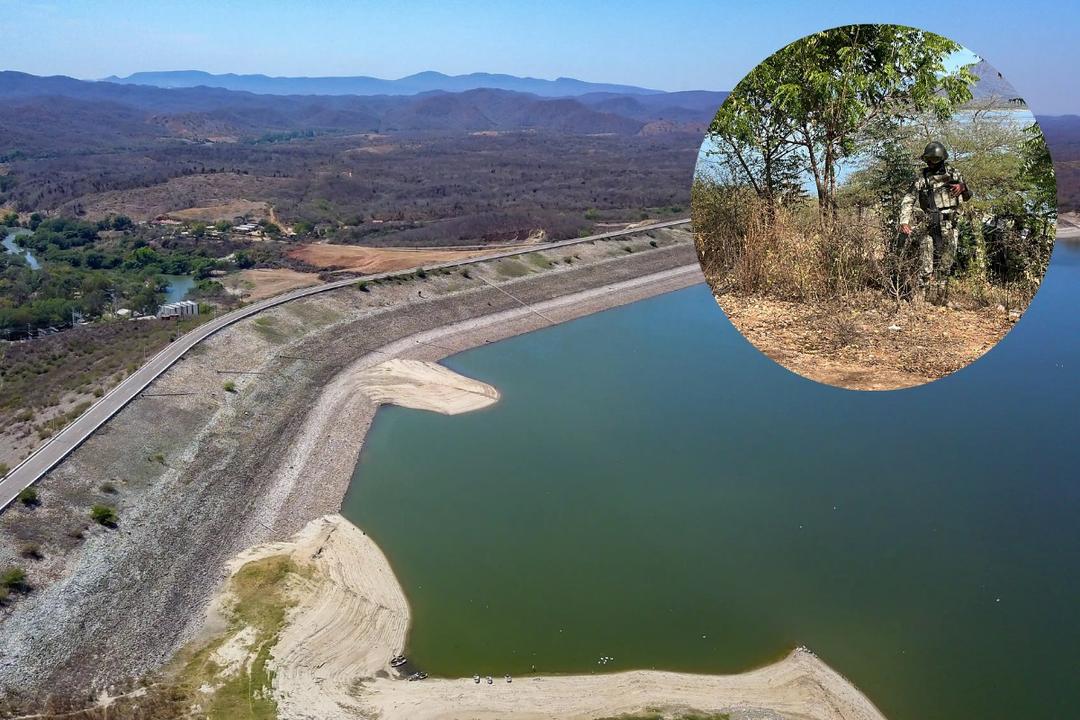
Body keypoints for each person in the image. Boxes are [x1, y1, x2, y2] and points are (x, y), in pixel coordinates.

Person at [898, 141, 972, 297]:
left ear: (940, 159)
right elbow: (909, 199)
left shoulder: (954, 173)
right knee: (926, 264)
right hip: (930, 224)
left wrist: (963, 187)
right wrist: (904, 221)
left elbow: (967, 196)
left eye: (932, 160)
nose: (929, 163)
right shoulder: (922, 177)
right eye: (928, 160)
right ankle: (920, 298)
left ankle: (939, 298)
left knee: (946, 264)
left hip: (951, 225)